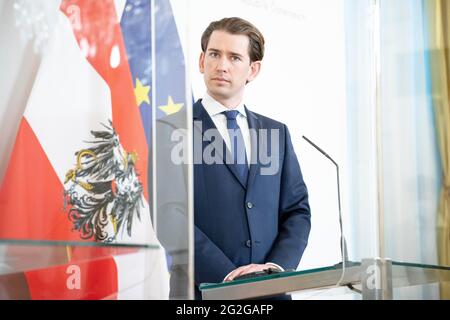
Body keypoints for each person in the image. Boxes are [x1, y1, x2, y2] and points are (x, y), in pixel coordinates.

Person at [193, 17, 311, 299]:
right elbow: (169, 217)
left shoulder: (276, 132)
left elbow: (297, 211)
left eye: (234, 57)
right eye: (214, 54)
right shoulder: (172, 130)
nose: (222, 65)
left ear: (253, 69)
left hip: (271, 294)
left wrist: (274, 270)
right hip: (205, 293)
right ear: (201, 61)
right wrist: (228, 278)